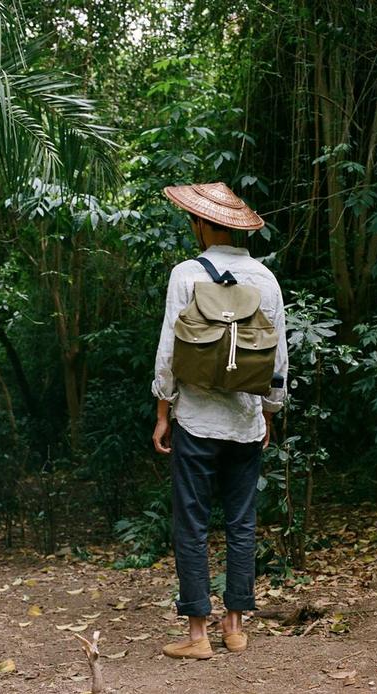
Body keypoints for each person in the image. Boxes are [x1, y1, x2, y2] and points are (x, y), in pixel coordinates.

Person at [151, 182, 288, 659]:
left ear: (205, 226)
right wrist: (268, 413)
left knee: (191, 522)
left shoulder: (186, 274)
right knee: (241, 521)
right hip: (245, 422)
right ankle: (234, 626)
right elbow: (278, 359)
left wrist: (163, 411)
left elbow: (169, 350)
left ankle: (196, 636)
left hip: (195, 419)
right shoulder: (266, 279)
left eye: (194, 221)